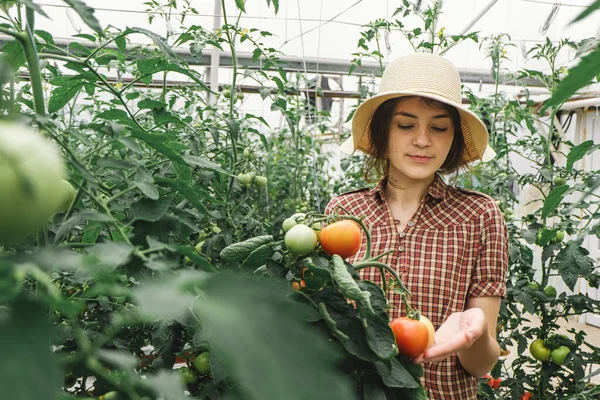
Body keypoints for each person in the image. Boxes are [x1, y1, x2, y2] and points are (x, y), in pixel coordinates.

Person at [325, 53, 509, 399]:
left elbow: (481, 365)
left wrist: (475, 334)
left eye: (438, 127)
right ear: (383, 131)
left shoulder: (479, 215)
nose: (423, 140)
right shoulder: (343, 212)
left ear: (453, 136)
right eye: (405, 125)